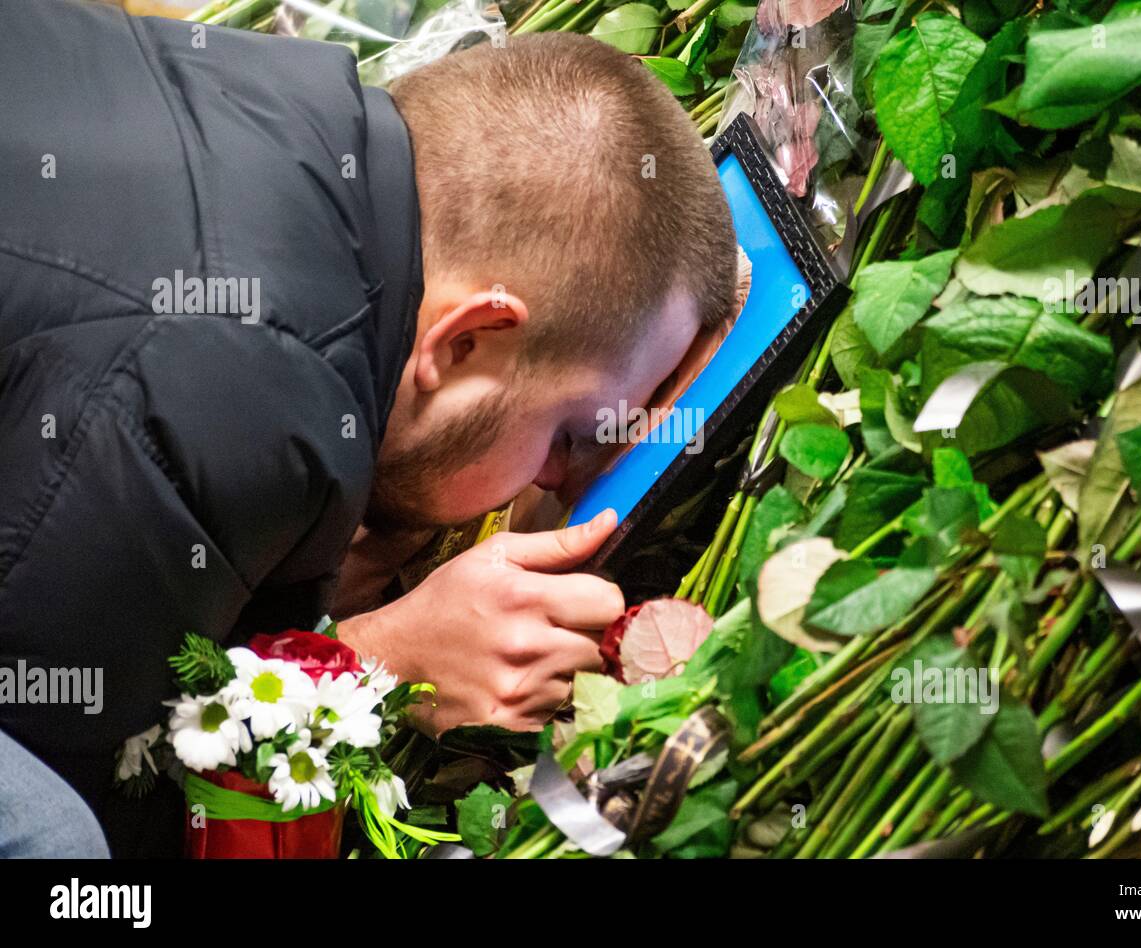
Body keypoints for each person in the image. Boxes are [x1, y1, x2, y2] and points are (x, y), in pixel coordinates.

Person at [0, 0, 737, 856]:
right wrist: (374, 662)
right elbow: (101, 776)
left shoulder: (288, 111)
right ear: (467, 339)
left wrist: (303, 583)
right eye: (568, 438)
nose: (555, 485)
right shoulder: (238, 380)